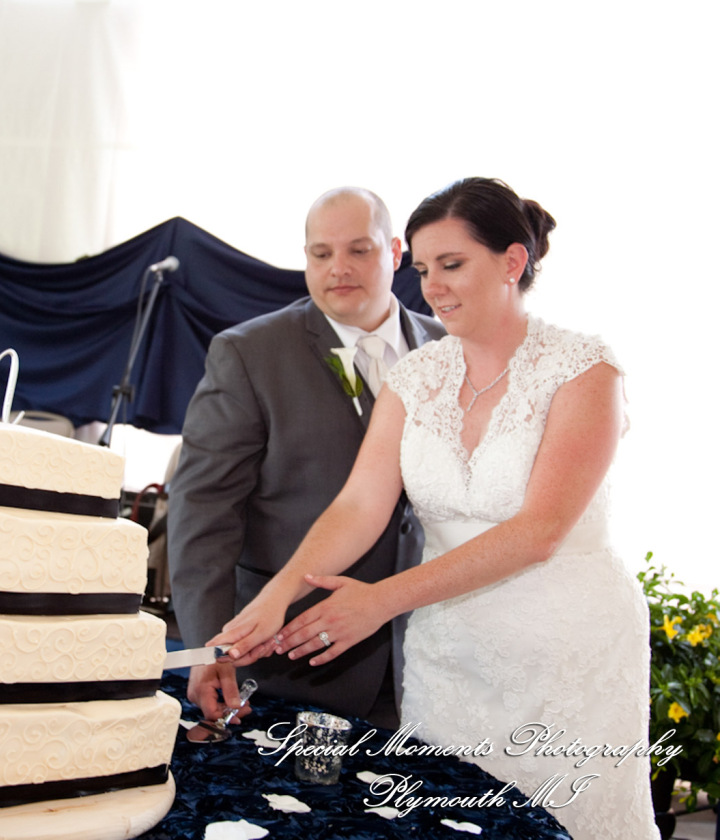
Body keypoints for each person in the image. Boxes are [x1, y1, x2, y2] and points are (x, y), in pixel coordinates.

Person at [213, 177, 657, 840]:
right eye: (422, 270)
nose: (433, 287)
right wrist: (277, 595)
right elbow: (361, 503)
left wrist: (380, 601)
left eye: (452, 264)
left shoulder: (585, 370)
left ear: (512, 261)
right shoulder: (416, 376)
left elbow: (539, 531)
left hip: (566, 650)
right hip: (448, 652)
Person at [168, 187, 445, 728]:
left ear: (394, 253)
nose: (338, 268)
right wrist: (208, 646)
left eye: (359, 250)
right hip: (286, 659)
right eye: (321, 253)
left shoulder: (448, 349)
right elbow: (204, 511)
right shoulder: (249, 354)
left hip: (426, 655)